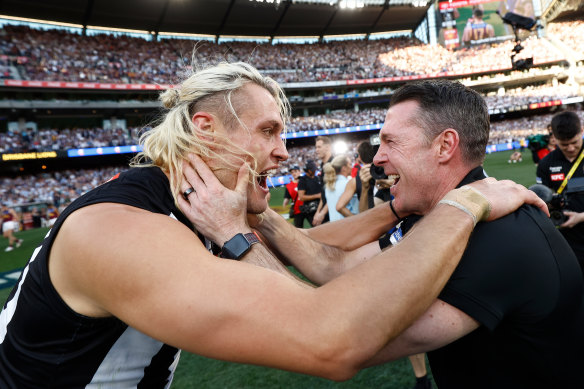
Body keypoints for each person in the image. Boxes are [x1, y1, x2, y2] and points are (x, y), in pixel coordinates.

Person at [0, 62, 545, 388]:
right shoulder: (121, 231)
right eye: (267, 131)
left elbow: (312, 247)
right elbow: (328, 341)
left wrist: (402, 208)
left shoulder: (195, 204)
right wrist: (464, 204)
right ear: (205, 130)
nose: (284, 153)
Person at [217, 79, 582, 388]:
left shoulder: (496, 239)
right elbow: (336, 266)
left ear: (444, 146)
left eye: (391, 142)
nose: (377, 158)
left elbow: (340, 343)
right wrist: (259, 216)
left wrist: (232, 230)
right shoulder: (438, 216)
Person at [536, 111, 584, 269]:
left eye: (575, 142)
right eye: (564, 144)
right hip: (567, 239)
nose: (570, 148)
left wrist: (581, 217)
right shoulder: (545, 164)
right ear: (554, 138)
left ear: (582, 131)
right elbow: (542, 203)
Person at [322, 154, 357, 222]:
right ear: (344, 168)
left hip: (334, 227)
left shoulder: (328, 186)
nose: (351, 167)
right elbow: (357, 209)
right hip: (349, 226)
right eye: (349, 164)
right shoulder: (349, 184)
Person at [313, 136, 333, 225]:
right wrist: (318, 211)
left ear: (328, 147)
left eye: (319, 147)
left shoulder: (333, 164)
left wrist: (322, 213)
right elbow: (324, 193)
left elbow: (335, 193)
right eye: (316, 147)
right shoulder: (322, 165)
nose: (316, 150)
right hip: (326, 211)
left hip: (333, 212)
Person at [296, 160, 321, 227]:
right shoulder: (303, 180)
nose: (315, 171)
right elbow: (301, 197)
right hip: (311, 210)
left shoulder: (317, 178)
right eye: (313, 170)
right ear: (308, 170)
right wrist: (317, 196)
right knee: (317, 229)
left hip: (320, 208)